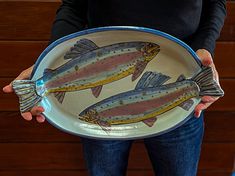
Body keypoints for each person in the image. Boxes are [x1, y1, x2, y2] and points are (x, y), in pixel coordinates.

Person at [3, 0, 226, 175]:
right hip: (96, 92)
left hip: (183, 78)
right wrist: (47, 63)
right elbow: (74, 6)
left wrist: (205, 49)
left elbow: (215, 3)